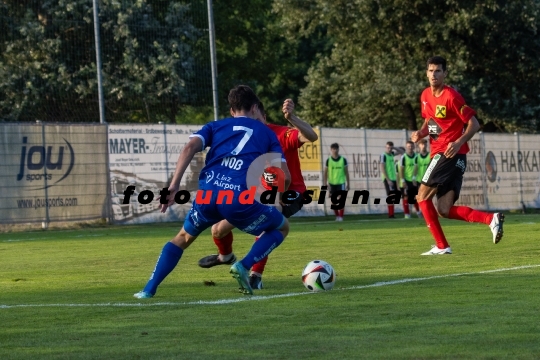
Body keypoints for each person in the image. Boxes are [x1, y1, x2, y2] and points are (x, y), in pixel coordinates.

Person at [133, 85, 291, 298]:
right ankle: (243, 266)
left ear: (232, 111)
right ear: (255, 108)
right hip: (239, 198)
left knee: (182, 237)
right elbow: (285, 177)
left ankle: (148, 289)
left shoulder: (215, 126)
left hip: (208, 194)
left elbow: (189, 148)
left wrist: (173, 185)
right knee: (281, 227)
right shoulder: (267, 133)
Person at [197, 99, 318, 290]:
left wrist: (291, 118)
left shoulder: (280, 134)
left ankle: (255, 275)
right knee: (217, 230)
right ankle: (225, 256)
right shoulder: (245, 140)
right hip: (259, 196)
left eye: (254, 117)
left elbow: (311, 136)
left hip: (291, 193)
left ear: (263, 116)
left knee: (266, 223)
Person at [411, 56, 504, 255]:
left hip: (448, 153)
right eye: (430, 70)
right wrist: (421, 133)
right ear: (426, 72)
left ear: (445, 73)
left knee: (421, 196)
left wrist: (459, 141)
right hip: (453, 157)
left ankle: (442, 245)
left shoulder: (451, 96)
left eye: (438, 71)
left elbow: (474, 124)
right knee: (444, 209)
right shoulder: (425, 95)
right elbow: (431, 121)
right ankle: (491, 219)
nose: (433, 74)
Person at [324, 143, 350, 221]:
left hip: (341, 182)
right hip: (332, 183)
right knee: (333, 201)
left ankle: (341, 217)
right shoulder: (328, 160)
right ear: (331, 150)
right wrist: (325, 183)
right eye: (333, 149)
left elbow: (346, 172)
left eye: (336, 149)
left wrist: (348, 183)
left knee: (341, 199)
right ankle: (337, 216)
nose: (335, 150)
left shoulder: (343, 160)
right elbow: (325, 173)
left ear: (338, 149)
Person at [379, 141, 405, 218]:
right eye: (388, 147)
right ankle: (391, 214)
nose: (389, 149)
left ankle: (392, 213)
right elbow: (382, 168)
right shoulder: (383, 155)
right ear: (385, 147)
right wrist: (387, 179)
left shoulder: (391, 154)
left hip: (393, 178)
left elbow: (402, 152)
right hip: (388, 178)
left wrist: (394, 148)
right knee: (390, 195)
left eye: (390, 147)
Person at [399, 140, 422, 218]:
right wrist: (402, 180)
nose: (410, 148)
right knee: (406, 197)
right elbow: (401, 169)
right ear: (406, 147)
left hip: (415, 180)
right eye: (408, 146)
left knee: (416, 196)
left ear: (414, 147)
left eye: (411, 146)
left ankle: (418, 212)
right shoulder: (403, 157)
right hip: (407, 180)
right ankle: (407, 214)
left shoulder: (417, 156)